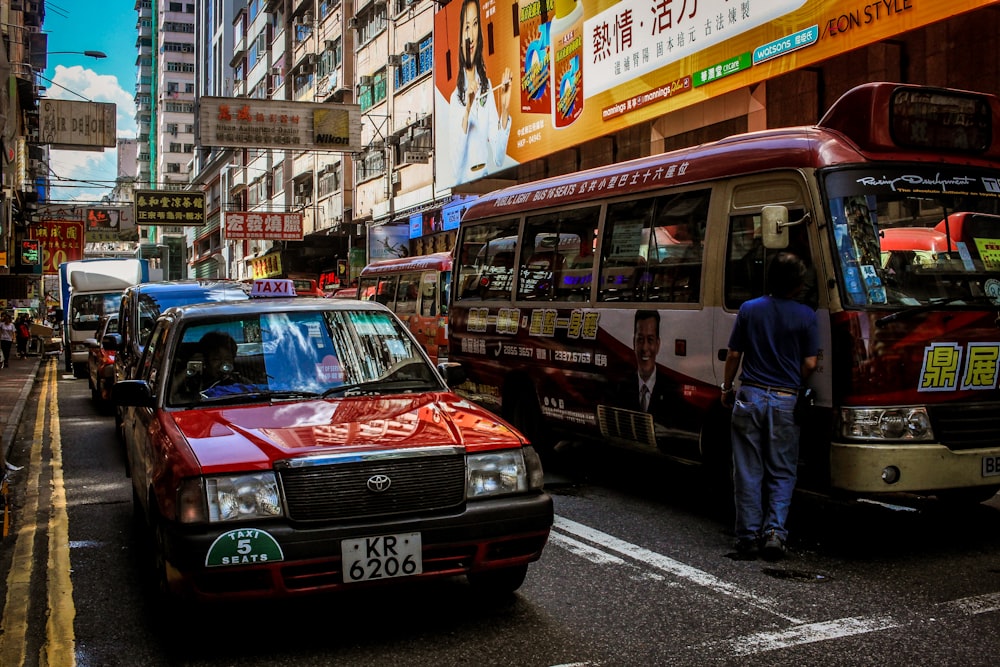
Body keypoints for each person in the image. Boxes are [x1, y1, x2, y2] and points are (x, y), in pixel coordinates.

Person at [721, 252, 819, 561]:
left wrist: (727, 387)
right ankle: (775, 533)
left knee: (748, 470)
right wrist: (792, 380)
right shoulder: (806, 315)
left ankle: (748, 536)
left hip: (750, 396)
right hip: (785, 399)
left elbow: (734, 354)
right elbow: (810, 363)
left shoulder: (750, 310)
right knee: (782, 471)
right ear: (798, 285)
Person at [449, 0, 512, 185]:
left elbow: (499, 158)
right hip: (465, 185)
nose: (470, 35)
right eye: (466, 27)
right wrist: (467, 109)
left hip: (486, 177)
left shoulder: (487, 86)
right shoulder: (455, 98)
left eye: (475, 24)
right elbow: (454, 168)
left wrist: (505, 108)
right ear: (460, 38)